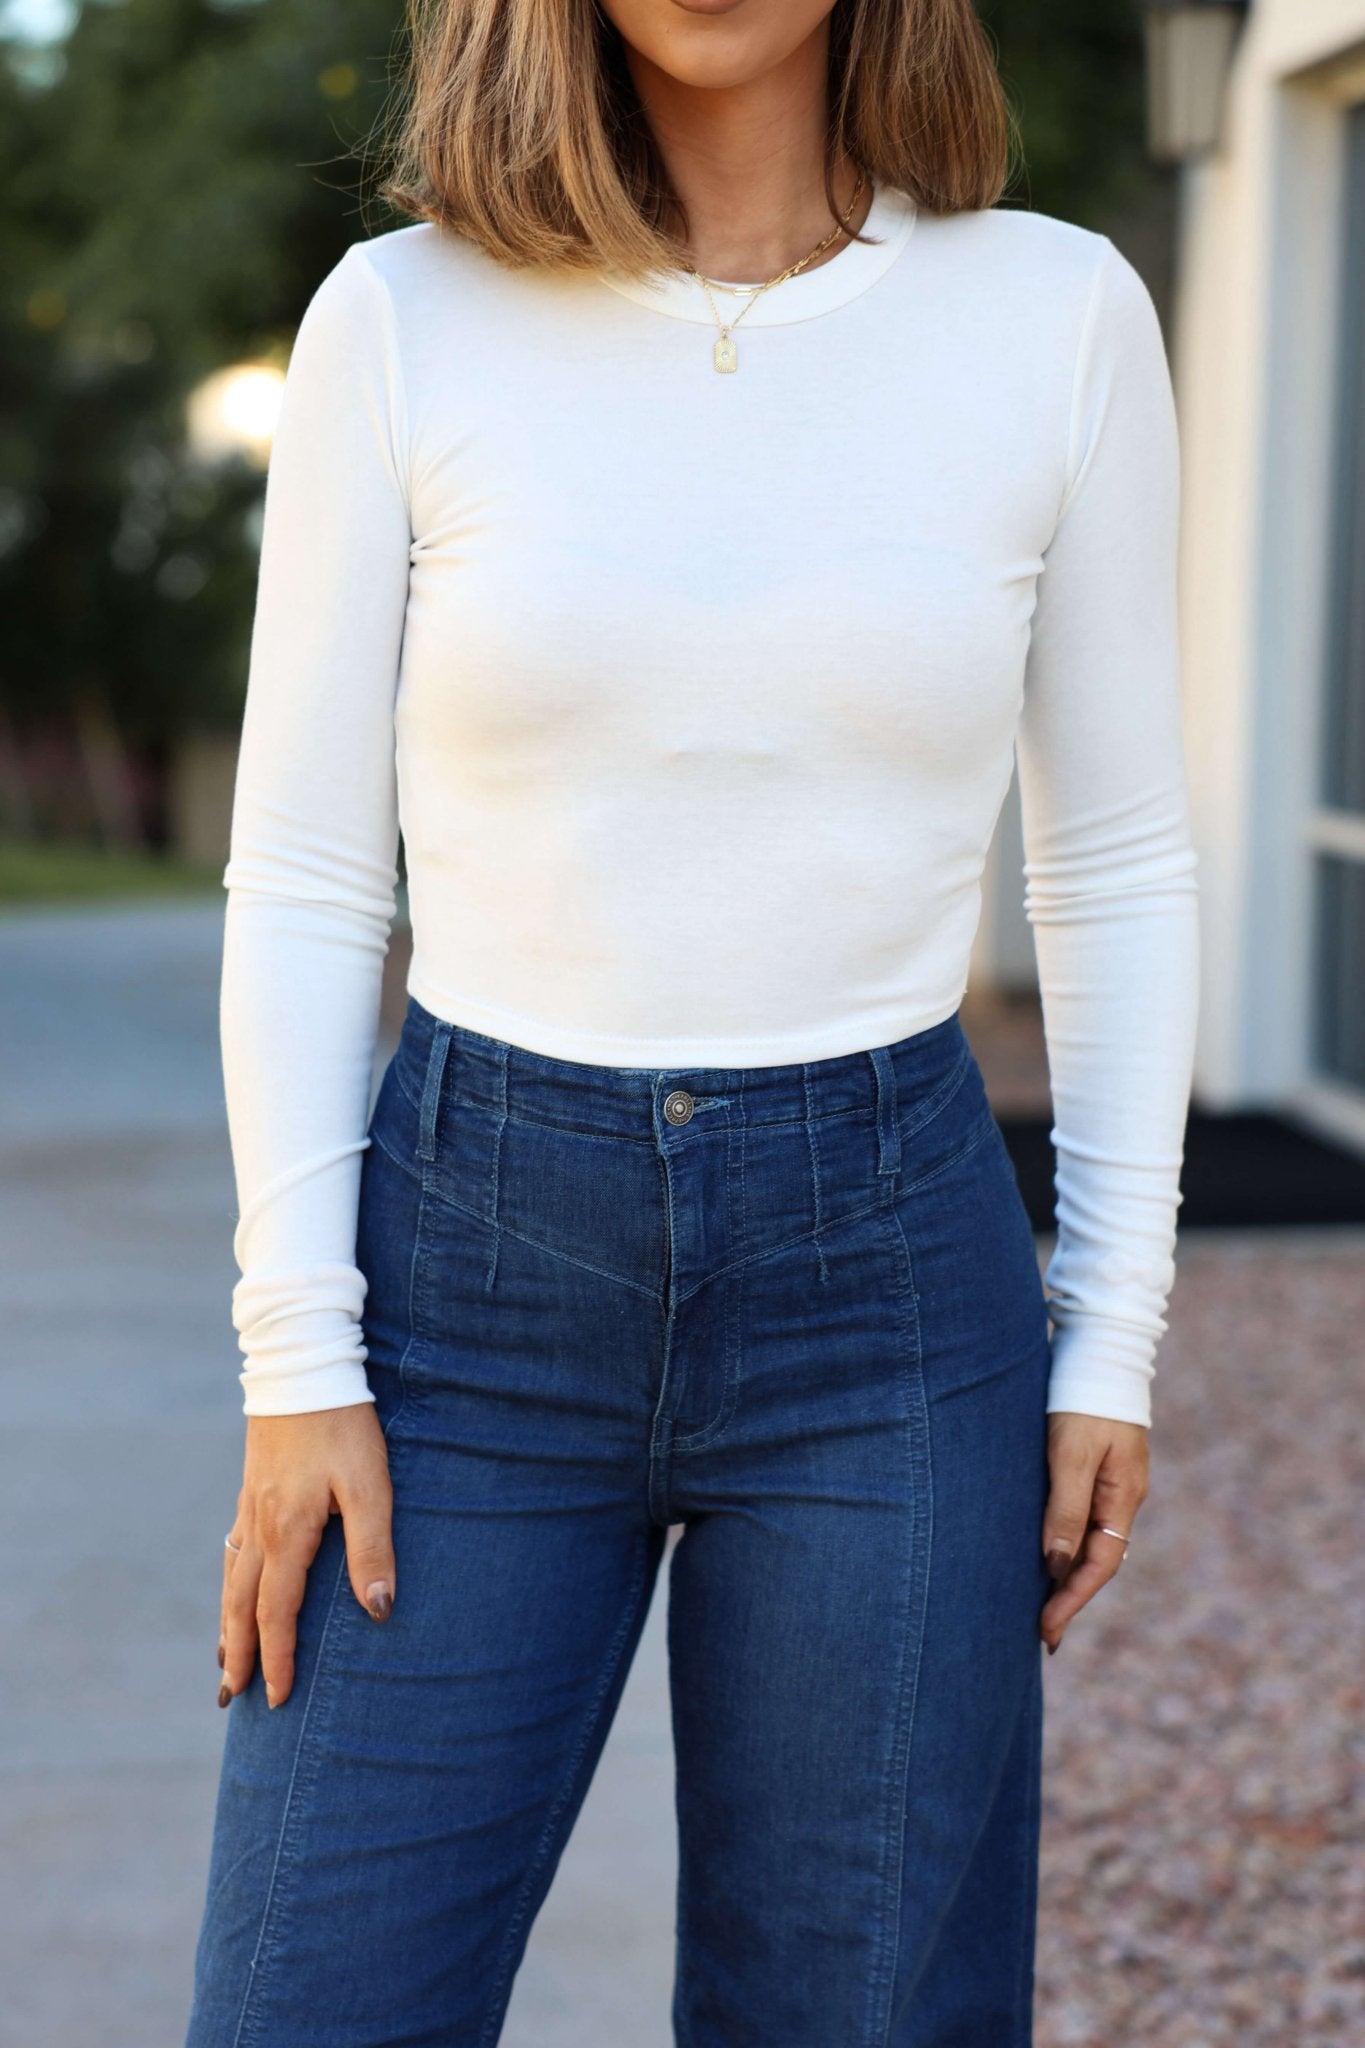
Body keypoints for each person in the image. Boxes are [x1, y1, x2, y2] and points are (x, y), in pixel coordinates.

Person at [184, 0, 1201, 2042]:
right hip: (462, 1288)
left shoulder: (1054, 316)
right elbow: (303, 876)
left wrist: (1111, 1328)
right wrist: (297, 1360)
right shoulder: (402, 320)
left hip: (888, 1297)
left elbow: (1110, 865)